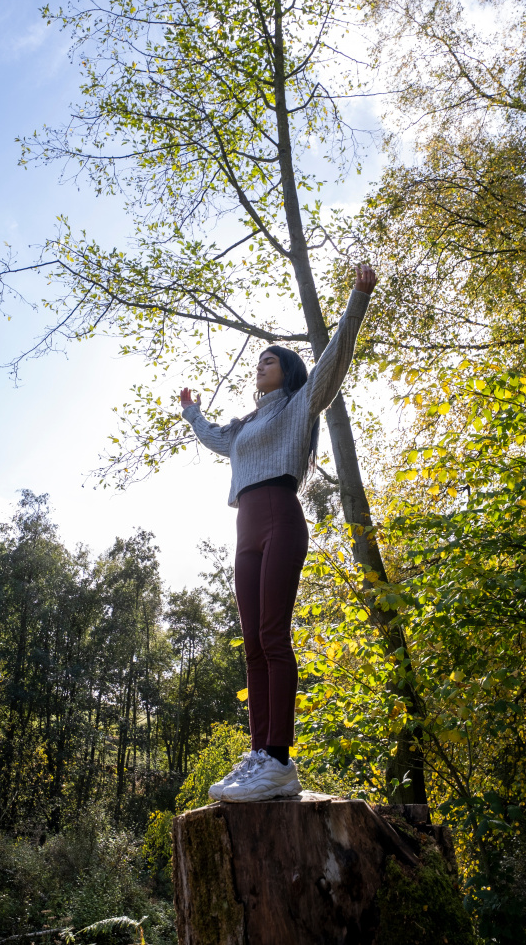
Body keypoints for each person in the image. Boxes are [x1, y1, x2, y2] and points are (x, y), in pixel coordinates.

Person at [179, 264, 377, 802]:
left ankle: (280, 760)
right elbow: (214, 438)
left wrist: (356, 302)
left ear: (286, 372)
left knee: (272, 636)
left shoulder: (298, 406)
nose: (260, 364)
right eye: (259, 361)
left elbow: (334, 361)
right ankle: (259, 752)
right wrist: (191, 410)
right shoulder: (245, 427)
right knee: (251, 646)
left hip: (280, 519)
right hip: (245, 531)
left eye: (270, 359)